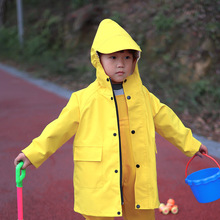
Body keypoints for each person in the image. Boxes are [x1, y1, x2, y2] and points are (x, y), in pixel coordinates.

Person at [14, 19, 208, 220]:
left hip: (137, 176)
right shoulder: (84, 99)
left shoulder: (144, 97)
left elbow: (168, 122)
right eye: (113, 57)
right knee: (99, 213)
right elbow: (58, 130)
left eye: (126, 57)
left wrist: (191, 144)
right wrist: (32, 154)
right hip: (99, 175)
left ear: (135, 60)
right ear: (99, 59)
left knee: (141, 214)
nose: (120, 64)